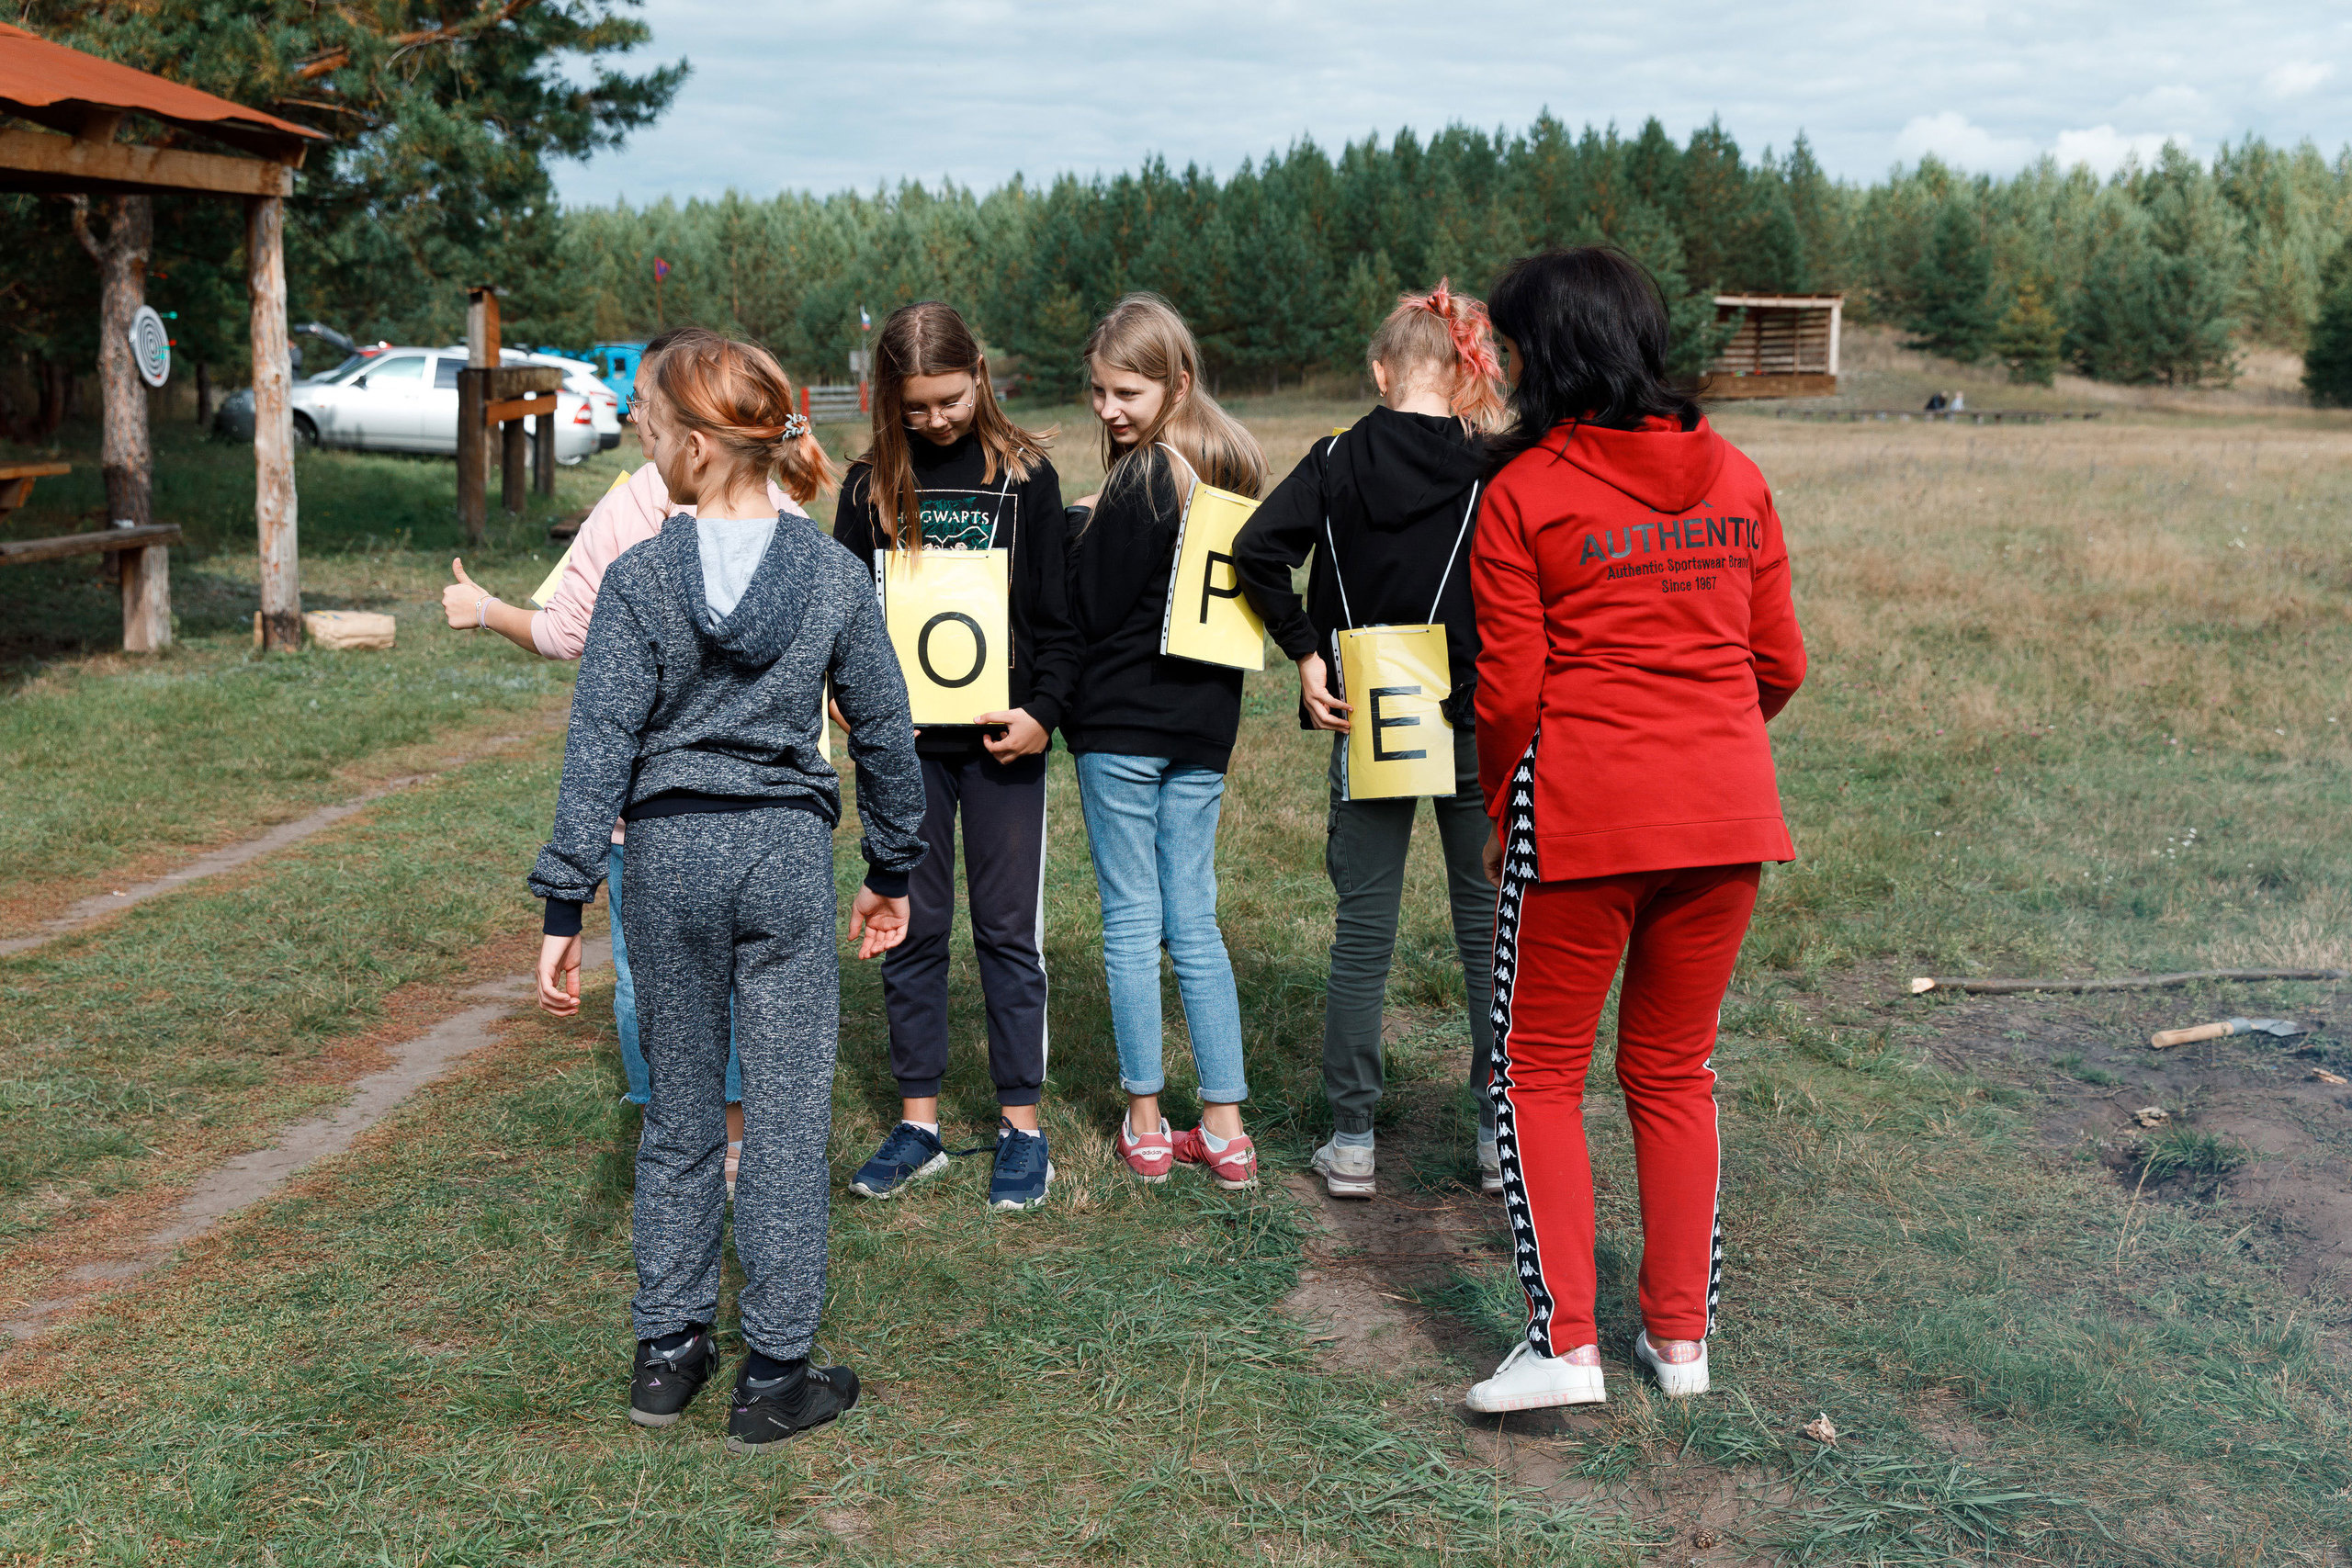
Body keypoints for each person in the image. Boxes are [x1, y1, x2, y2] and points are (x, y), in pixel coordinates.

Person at [527, 331, 928, 1450]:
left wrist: (566, 906)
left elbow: (598, 743)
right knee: (790, 1119)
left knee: (681, 1110)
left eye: (649, 430)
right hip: (782, 860)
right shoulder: (833, 574)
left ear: (698, 446)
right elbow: (885, 732)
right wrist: (891, 869)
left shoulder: (640, 576)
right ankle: (777, 1374)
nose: (641, 446)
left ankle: (669, 1352)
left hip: (662, 861)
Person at [1462, 248, 1805, 1414]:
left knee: (1536, 1076)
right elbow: (1780, 663)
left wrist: (1516, 794)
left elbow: (1506, 694)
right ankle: (1680, 1345)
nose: (1501, 366)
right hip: (1725, 820)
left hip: (1582, 822)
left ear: (1542, 356)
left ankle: (1564, 1347)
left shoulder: (1520, 494)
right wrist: (1703, 750)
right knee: (1674, 1072)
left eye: (1509, 346)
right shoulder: (1742, 475)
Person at [444, 329, 788, 1190]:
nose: (637, 420)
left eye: (642, 405)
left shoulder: (630, 512)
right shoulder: (779, 513)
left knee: (647, 974)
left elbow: (567, 634)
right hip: (765, 812)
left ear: (679, 426)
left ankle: (674, 1127)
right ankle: (743, 1141)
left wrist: (483, 607)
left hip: (653, 811)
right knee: (750, 976)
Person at [1231, 280, 1509, 1201]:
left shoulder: (1335, 457)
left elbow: (1256, 552)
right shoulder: (1496, 463)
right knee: (1485, 931)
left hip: (1368, 703)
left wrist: (1305, 655)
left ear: (1380, 370)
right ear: (1464, 369)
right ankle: (1493, 1133)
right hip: (1473, 711)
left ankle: (1351, 1138)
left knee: (1363, 931)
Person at [831, 301, 1080, 1212]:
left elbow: (1059, 622)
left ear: (980, 372)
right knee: (912, 926)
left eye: (947, 399)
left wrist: (1044, 712)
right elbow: (843, 616)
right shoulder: (865, 489)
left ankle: (1021, 1129)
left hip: (1002, 746)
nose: (935, 420)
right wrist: (840, 691)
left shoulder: (1027, 479)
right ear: (886, 401)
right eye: (915, 408)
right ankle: (919, 1125)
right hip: (901, 756)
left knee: (1008, 932)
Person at [1062, 292, 1269, 1190]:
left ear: (1175, 384)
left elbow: (1095, 605)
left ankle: (1145, 1117)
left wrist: (1082, 528)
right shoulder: (1227, 466)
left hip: (1121, 722)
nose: (1109, 409)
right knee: (1195, 917)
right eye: (1099, 391)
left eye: (1127, 393)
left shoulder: (1144, 479)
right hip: (1202, 724)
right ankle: (1223, 1123)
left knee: (1131, 917)